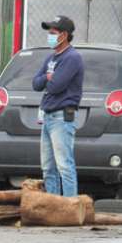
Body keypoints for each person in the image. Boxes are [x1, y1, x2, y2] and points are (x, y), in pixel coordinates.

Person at [32, 15, 84, 197]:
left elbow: (56, 86)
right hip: (47, 117)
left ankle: (70, 205)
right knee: (48, 168)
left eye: (53, 32)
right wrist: (47, 77)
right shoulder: (51, 58)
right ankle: (53, 204)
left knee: (64, 165)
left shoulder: (72, 58)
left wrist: (47, 79)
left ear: (64, 35)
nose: (49, 36)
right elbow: (36, 83)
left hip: (62, 117)